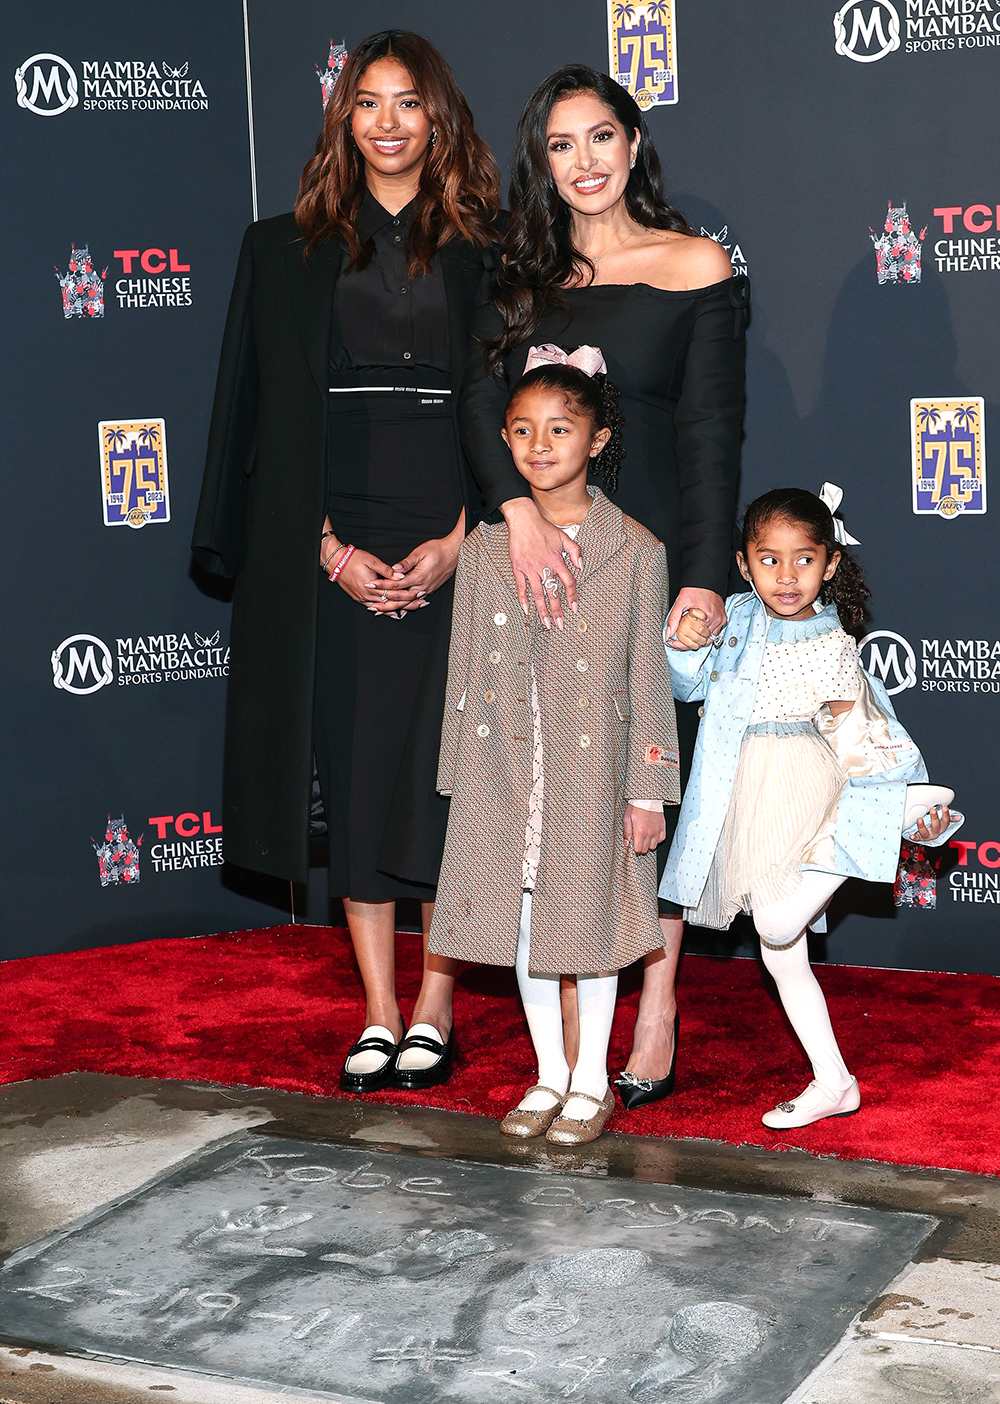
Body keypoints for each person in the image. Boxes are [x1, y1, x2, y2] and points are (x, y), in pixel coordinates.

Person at [191, 31, 502, 1094]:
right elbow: (251, 414)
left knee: (441, 784)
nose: (386, 121)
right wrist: (320, 551)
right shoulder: (276, 249)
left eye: (406, 102)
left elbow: (519, 420)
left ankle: (435, 1009)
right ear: (342, 120)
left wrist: (466, 541)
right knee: (360, 781)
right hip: (328, 531)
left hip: (451, 530)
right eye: (365, 102)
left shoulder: (487, 251)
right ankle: (377, 1011)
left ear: (437, 119)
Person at [460, 64, 747, 1105]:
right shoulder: (513, 276)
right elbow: (474, 408)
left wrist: (706, 580)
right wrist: (519, 515)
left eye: (600, 138)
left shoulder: (695, 265)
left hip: (652, 563)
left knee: (641, 784)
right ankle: (573, 1029)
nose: (582, 163)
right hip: (538, 567)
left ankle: (657, 1000)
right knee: (554, 792)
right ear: (542, 162)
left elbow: (713, 434)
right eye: (559, 145)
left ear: (633, 144)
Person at [428, 356, 679, 1146]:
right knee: (529, 929)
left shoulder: (636, 549)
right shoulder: (483, 549)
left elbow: (648, 676)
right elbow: (463, 667)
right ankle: (547, 1075)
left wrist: (648, 791)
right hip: (504, 771)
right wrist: (455, 778)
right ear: (504, 441)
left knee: (591, 925)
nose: (541, 445)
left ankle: (592, 1081)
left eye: (561, 430)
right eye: (524, 431)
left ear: (596, 439)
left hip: (593, 773)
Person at [661, 487, 962, 1128]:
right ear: (744, 564)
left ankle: (886, 820)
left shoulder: (834, 643)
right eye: (769, 560)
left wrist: (907, 791)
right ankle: (835, 1082)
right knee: (782, 952)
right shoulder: (734, 618)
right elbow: (685, 690)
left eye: (803, 559)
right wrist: (686, 643)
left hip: (809, 791)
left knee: (773, 924)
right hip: (742, 794)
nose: (786, 576)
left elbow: (863, 735)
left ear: (829, 563)